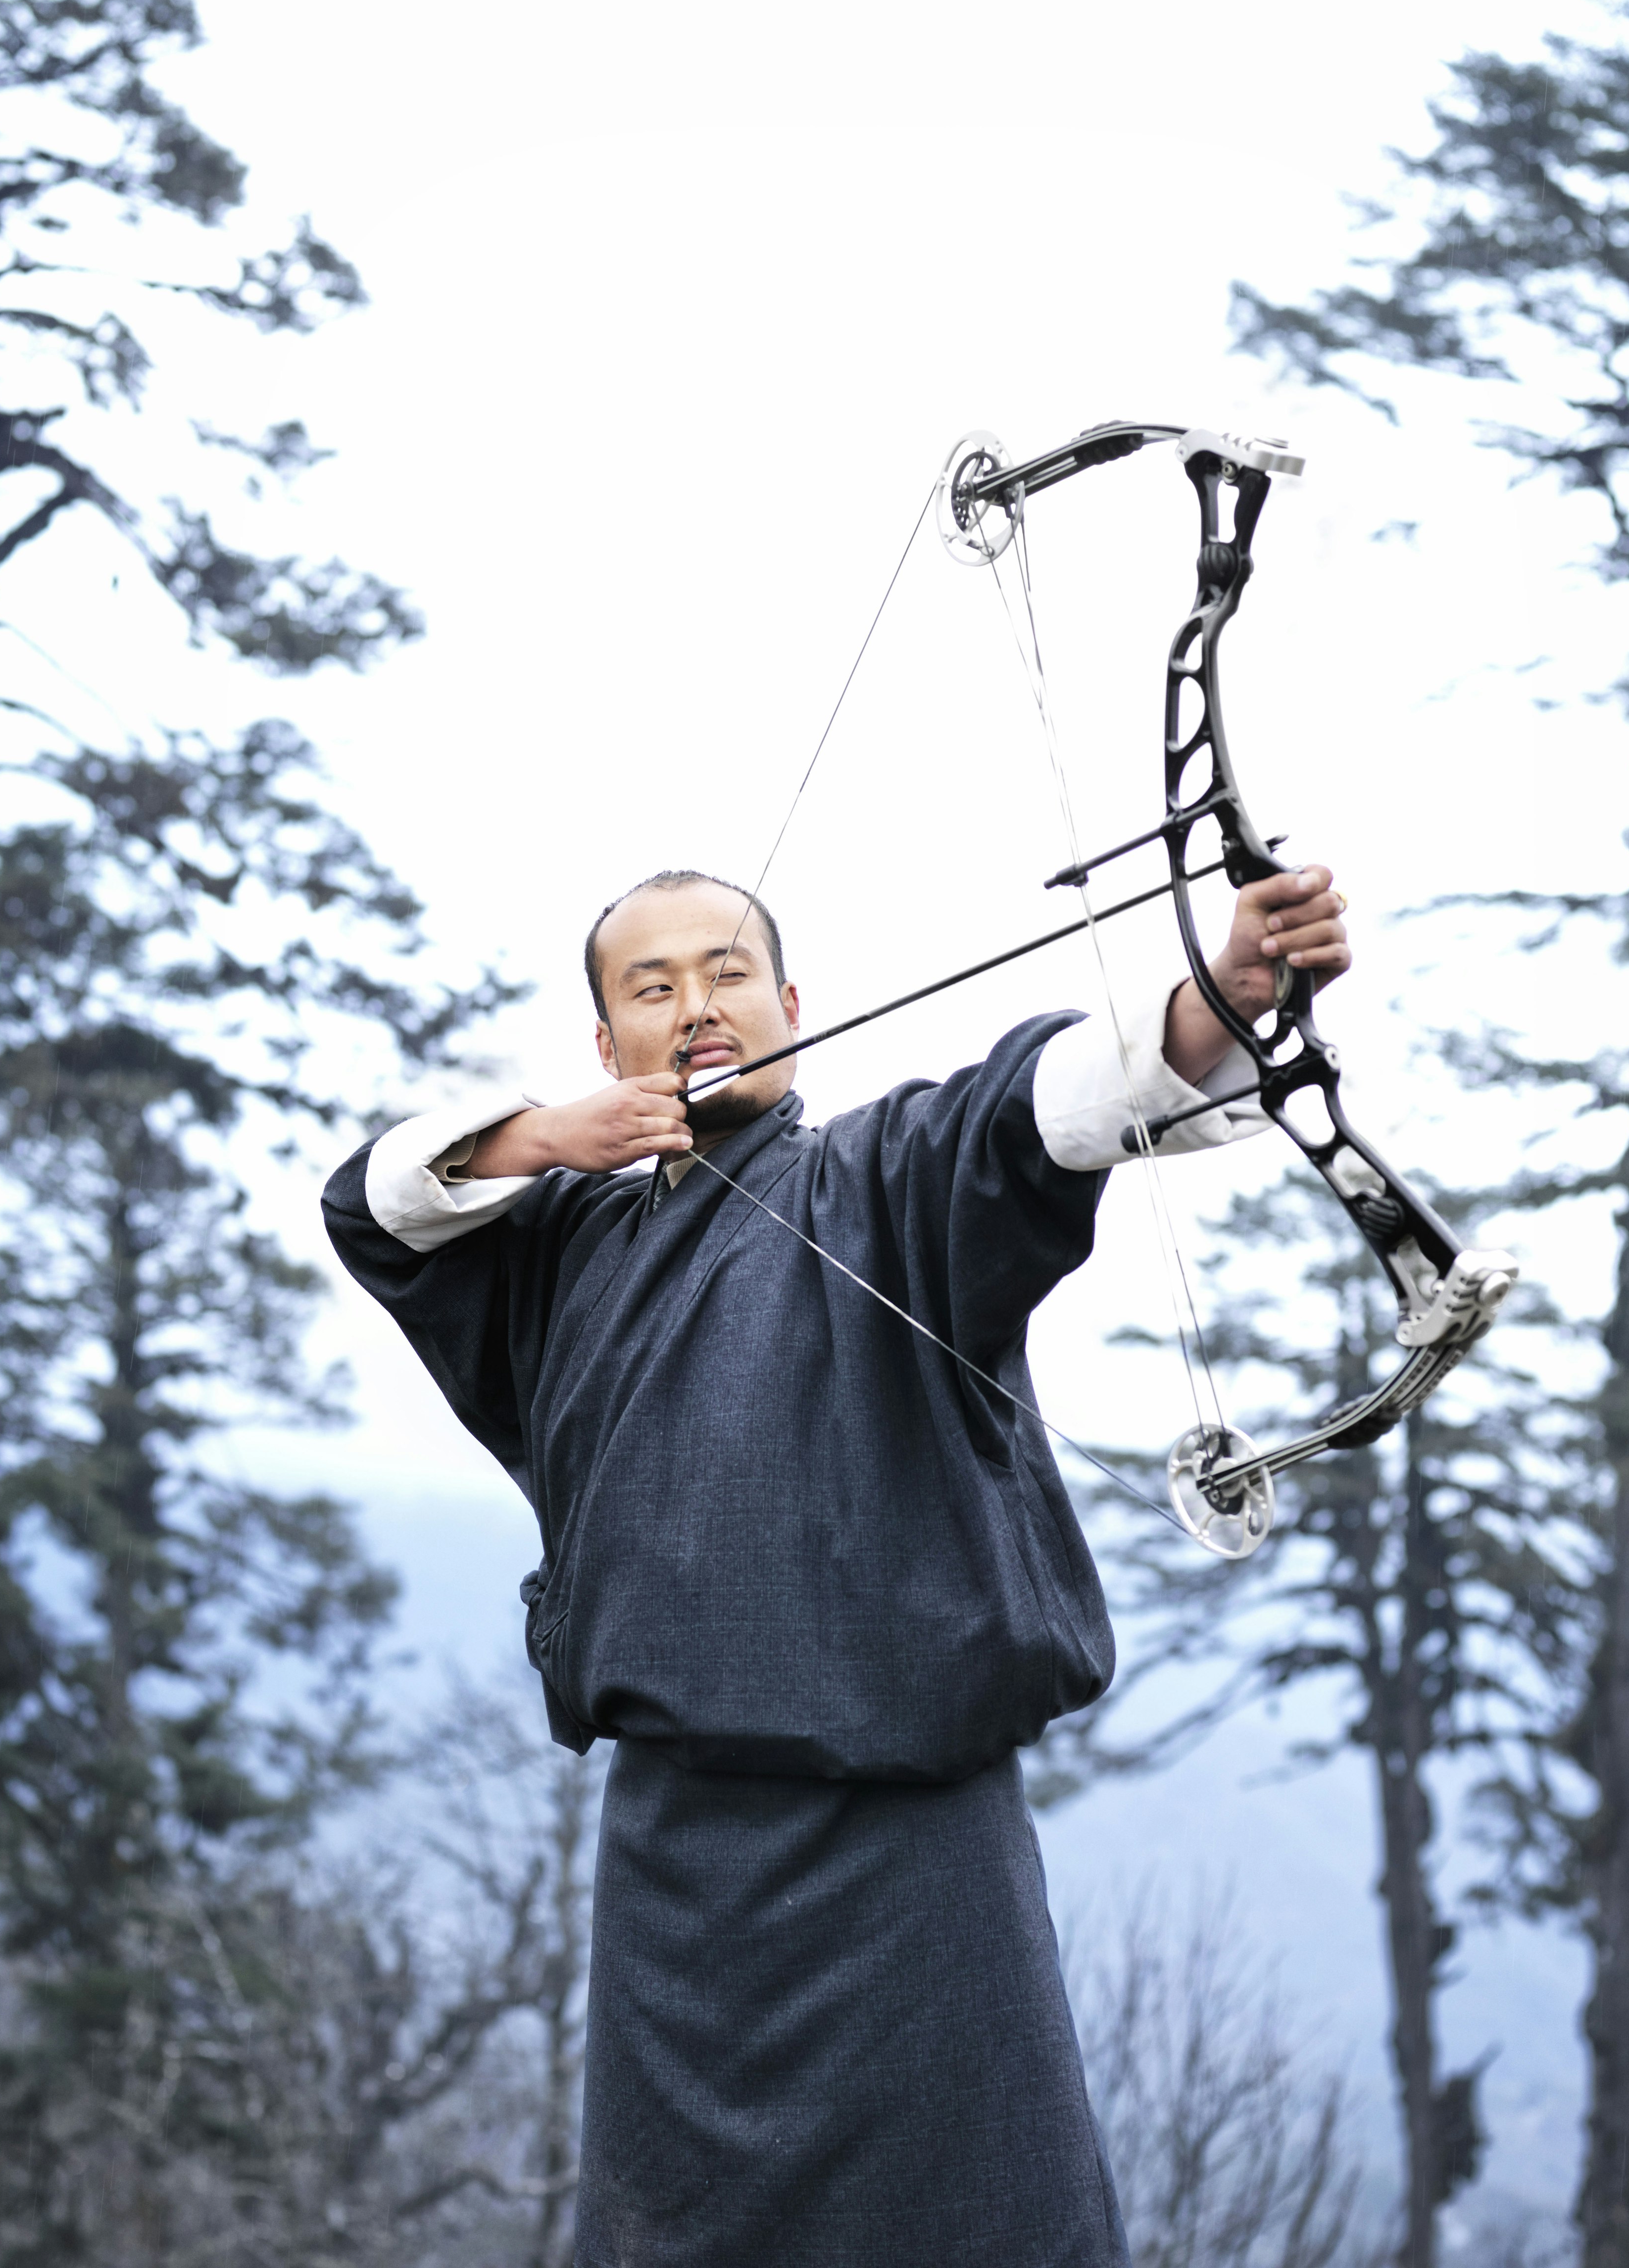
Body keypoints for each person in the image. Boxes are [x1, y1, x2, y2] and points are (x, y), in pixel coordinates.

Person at [322, 862, 1351, 2268]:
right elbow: (374, 1208)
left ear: (793, 1007)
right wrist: (543, 1144)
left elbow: (1028, 1116)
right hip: (677, 1882)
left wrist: (1211, 1006)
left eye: (730, 974)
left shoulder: (888, 1184)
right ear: (605, 1043)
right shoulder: (561, 1254)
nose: (698, 1009)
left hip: (918, 1873)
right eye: (654, 987)